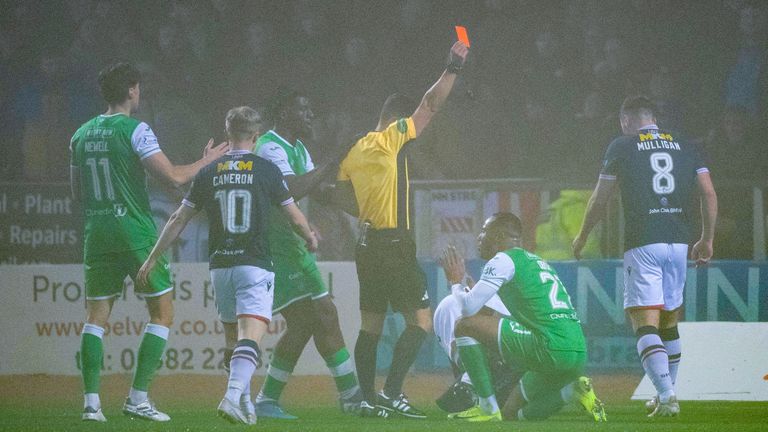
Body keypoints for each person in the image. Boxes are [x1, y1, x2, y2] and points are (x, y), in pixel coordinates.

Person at [136, 106, 317, 425]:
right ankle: (232, 395)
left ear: (228, 134)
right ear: (256, 136)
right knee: (252, 336)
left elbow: (179, 218)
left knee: (232, 340)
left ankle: (244, 403)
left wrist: (153, 257)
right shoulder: (266, 170)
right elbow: (292, 213)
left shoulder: (210, 171)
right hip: (254, 263)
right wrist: (310, 235)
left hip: (220, 267)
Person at [70, 62, 229, 422]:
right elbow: (173, 176)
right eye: (138, 88)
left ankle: (91, 405)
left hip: (97, 233)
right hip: (134, 232)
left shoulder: (79, 134)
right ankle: (137, 398)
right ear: (131, 90)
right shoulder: (135, 130)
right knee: (162, 313)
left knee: (95, 318)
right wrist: (207, 160)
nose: (139, 93)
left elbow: (78, 192)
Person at [335, 40, 468, 418]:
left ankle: (365, 398)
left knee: (370, 326)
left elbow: (344, 198)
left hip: (365, 246)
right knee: (421, 323)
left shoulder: (354, 149)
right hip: (393, 245)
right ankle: (392, 392)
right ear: (396, 119)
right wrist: (452, 68)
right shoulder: (393, 137)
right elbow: (429, 105)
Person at [572, 95, 718, 417]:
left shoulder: (622, 146)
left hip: (643, 242)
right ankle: (667, 392)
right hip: (679, 244)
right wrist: (706, 239)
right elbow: (708, 192)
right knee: (669, 322)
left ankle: (666, 396)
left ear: (626, 121)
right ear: (653, 118)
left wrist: (583, 235)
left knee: (643, 322)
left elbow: (601, 198)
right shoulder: (686, 144)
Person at [251, 89, 380, 418]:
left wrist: (366, 206)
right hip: (276, 249)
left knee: (316, 318)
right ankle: (348, 397)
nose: (311, 115)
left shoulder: (297, 148)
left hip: (293, 247)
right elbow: (292, 188)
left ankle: (272, 400)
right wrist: (337, 155)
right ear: (283, 114)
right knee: (318, 315)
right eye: (303, 108)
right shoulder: (268, 146)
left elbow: (319, 190)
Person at [439, 213, 606, 422]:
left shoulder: (502, 259)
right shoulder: (536, 261)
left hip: (548, 347)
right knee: (510, 414)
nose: (479, 237)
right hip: (577, 352)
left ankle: (487, 408)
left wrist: (455, 282)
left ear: (499, 236)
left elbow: (468, 309)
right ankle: (572, 391)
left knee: (463, 326)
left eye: (484, 230)